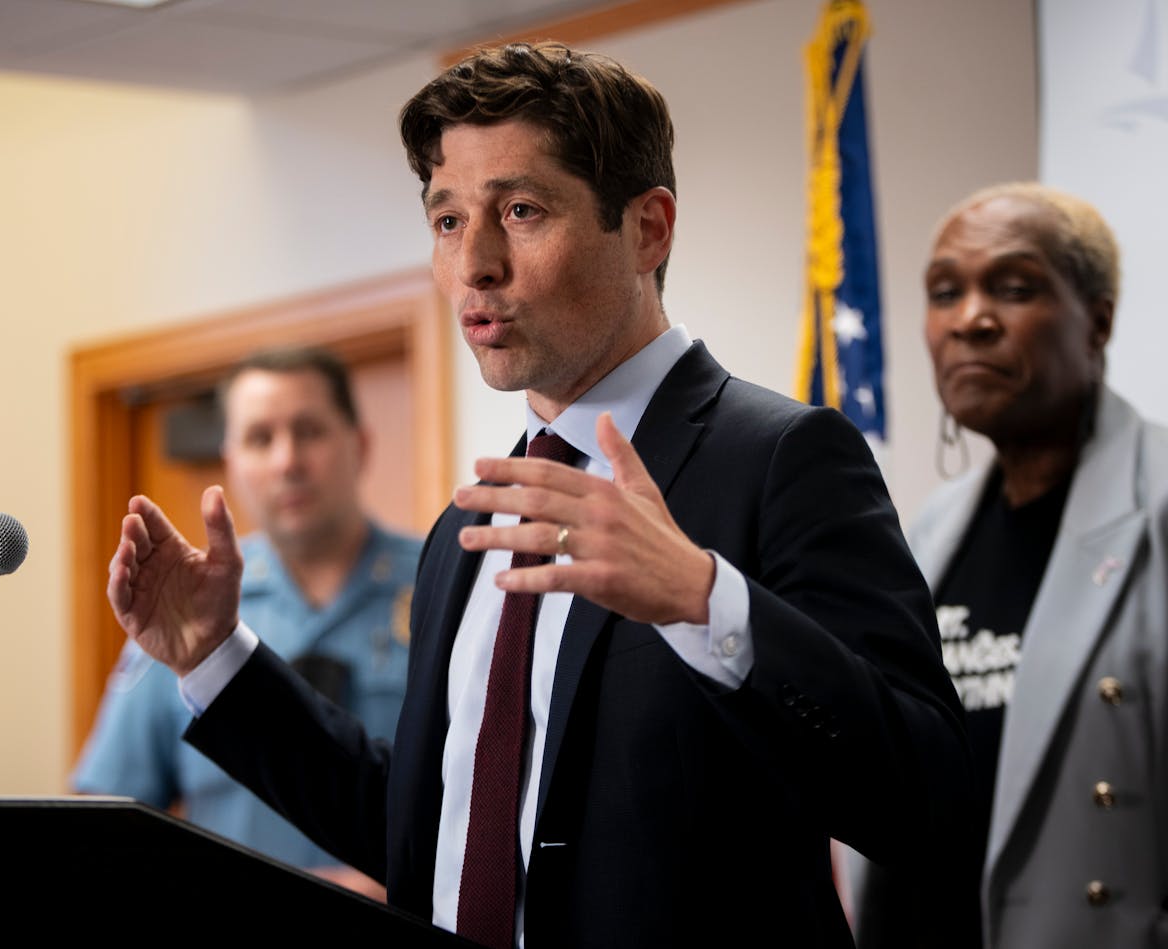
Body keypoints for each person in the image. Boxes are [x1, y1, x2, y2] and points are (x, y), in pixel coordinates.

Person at [106, 43, 972, 948]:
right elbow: (425, 841)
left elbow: (929, 794)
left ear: (648, 228)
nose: (475, 263)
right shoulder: (468, 527)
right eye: (447, 221)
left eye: (520, 210)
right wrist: (215, 659)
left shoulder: (781, 458)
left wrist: (706, 600)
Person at [851, 183, 1168, 949]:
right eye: (945, 292)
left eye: (1014, 287)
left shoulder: (1158, 506)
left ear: (1097, 320)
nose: (971, 318)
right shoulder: (928, 532)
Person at [73, 345, 420, 895]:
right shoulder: (188, 609)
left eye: (309, 431)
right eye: (261, 438)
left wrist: (404, 886)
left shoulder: (438, 590)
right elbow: (104, 822)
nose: (288, 461)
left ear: (360, 444)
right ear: (231, 459)